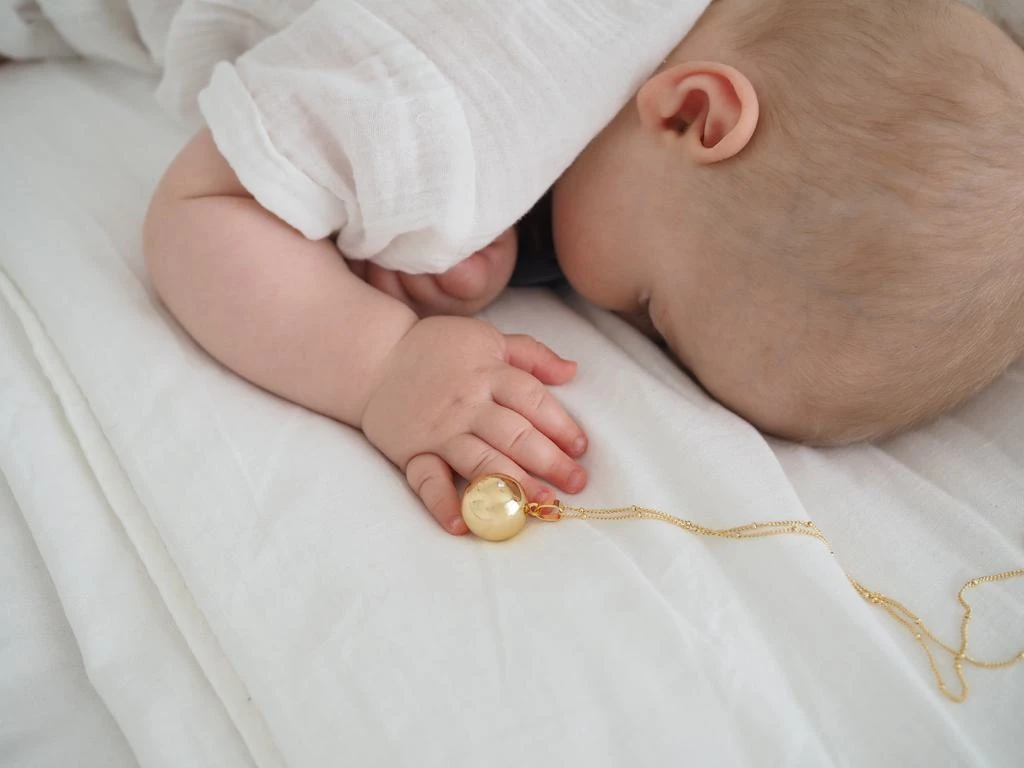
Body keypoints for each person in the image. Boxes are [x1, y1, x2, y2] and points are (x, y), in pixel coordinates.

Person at [145, 0, 1024, 534]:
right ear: (693, 115)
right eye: (652, 311)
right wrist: (382, 364)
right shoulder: (444, 110)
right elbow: (205, 209)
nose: (624, 323)